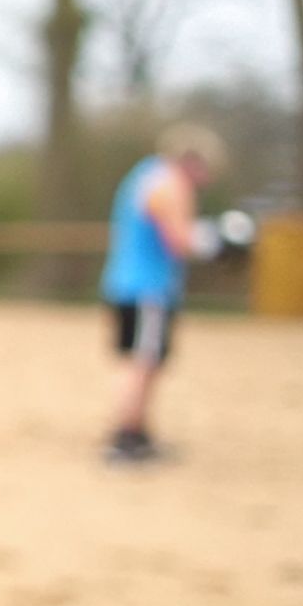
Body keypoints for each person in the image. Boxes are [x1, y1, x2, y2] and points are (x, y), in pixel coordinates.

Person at [98, 123, 226, 463]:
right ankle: (125, 438)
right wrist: (220, 241)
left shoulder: (144, 174)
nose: (207, 178)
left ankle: (137, 431)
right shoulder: (170, 184)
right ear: (191, 161)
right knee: (143, 363)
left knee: (139, 361)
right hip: (148, 289)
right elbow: (179, 240)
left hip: (125, 283)